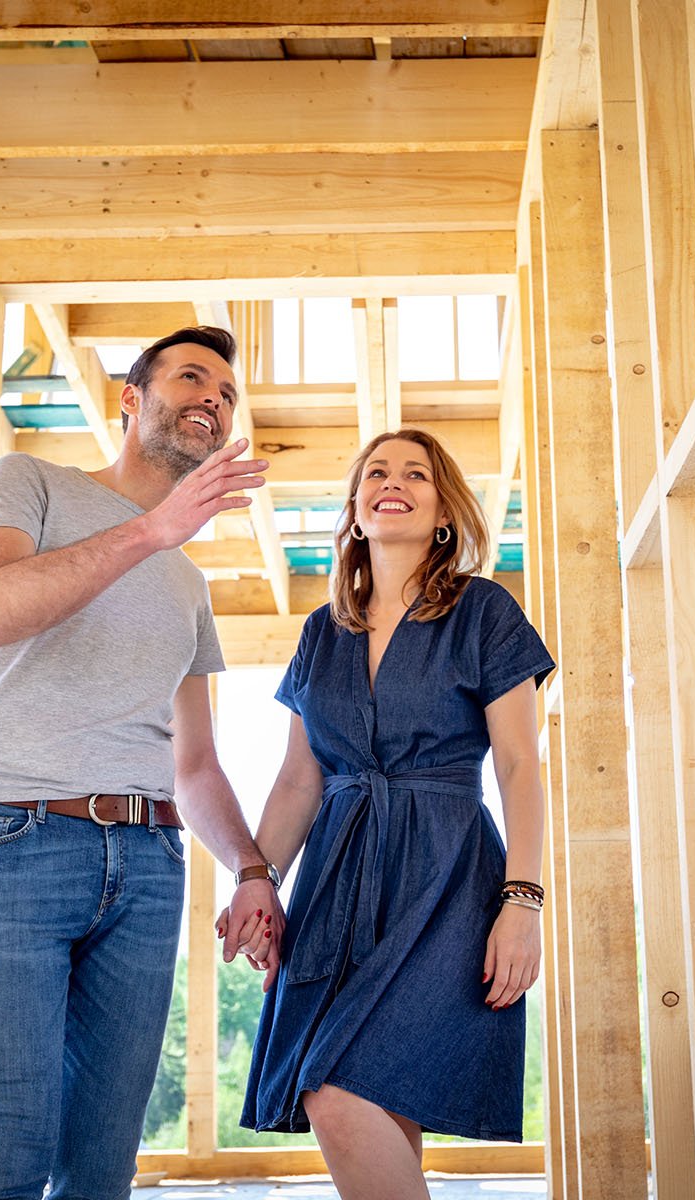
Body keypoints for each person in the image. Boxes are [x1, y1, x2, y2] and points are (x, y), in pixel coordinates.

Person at [0, 326, 286, 1200]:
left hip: (148, 865)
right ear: (132, 399)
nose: (214, 397)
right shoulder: (31, 484)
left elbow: (195, 765)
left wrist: (251, 870)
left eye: (227, 393)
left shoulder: (188, 586)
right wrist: (152, 531)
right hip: (9, 840)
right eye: (192, 377)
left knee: (101, 1164)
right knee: (2, 1147)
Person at [216, 427, 554, 1199]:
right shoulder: (320, 631)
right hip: (335, 886)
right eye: (376, 472)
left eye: (415, 473)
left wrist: (524, 900)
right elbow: (299, 780)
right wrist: (256, 882)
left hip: (448, 882)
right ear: (356, 509)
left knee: (334, 1086)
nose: (391, 481)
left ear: (442, 512)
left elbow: (519, 765)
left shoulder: (485, 611)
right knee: (372, 1098)